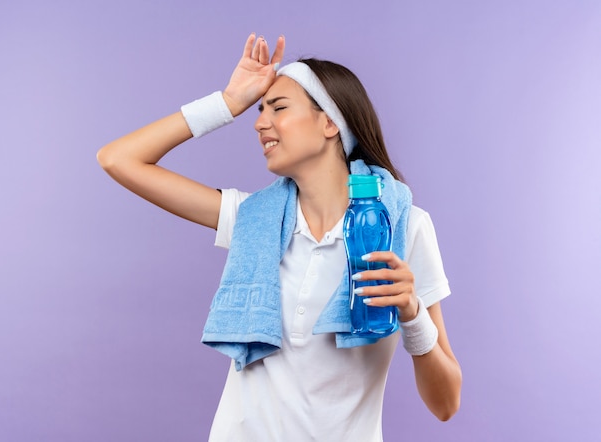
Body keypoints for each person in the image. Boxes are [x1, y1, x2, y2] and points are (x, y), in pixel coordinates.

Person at [97, 33, 462, 441]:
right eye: (258, 110)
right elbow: (118, 159)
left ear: (330, 122)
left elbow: (445, 404)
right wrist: (227, 103)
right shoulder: (252, 221)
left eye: (279, 107)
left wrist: (412, 314)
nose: (259, 122)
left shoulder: (403, 228)